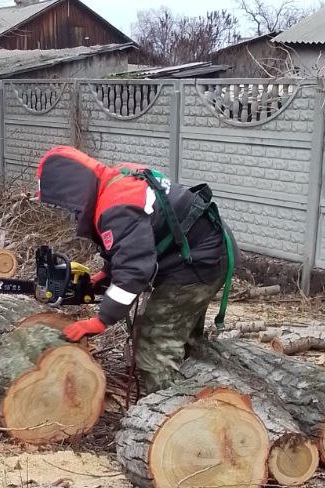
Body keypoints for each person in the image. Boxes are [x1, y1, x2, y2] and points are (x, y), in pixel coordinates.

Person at [36, 145, 236, 393]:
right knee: (181, 335)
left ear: (72, 191)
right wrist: (108, 273)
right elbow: (134, 240)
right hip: (202, 250)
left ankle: (169, 409)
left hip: (199, 260)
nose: (70, 213)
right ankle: (201, 388)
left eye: (67, 206)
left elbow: (135, 270)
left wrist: (101, 320)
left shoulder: (116, 205)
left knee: (155, 342)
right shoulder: (115, 180)